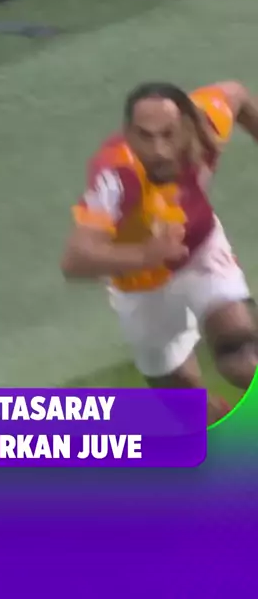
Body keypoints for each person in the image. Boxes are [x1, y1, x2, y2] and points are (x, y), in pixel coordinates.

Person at [61, 81, 258, 424]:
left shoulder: (207, 124)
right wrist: (146, 255)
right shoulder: (116, 175)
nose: (159, 150)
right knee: (187, 404)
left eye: (168, 134)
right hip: (140, 284)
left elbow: (236, 95)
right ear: (128, 134)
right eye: (145, 137)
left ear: (187, 126)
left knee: (240, 348)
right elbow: (75, 259)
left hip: (201, 250)